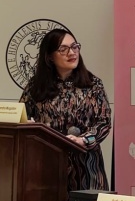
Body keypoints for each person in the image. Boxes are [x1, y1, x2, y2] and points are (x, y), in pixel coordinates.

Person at [20, 29, 111, 191]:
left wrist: (84, 140)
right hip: (46, 167)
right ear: (49, 56)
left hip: (86, 166)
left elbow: (104, 123)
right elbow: (22, 118)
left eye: (75, 47)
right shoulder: (36, 86)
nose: (72, 52)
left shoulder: (92, 84)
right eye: (63, 49)